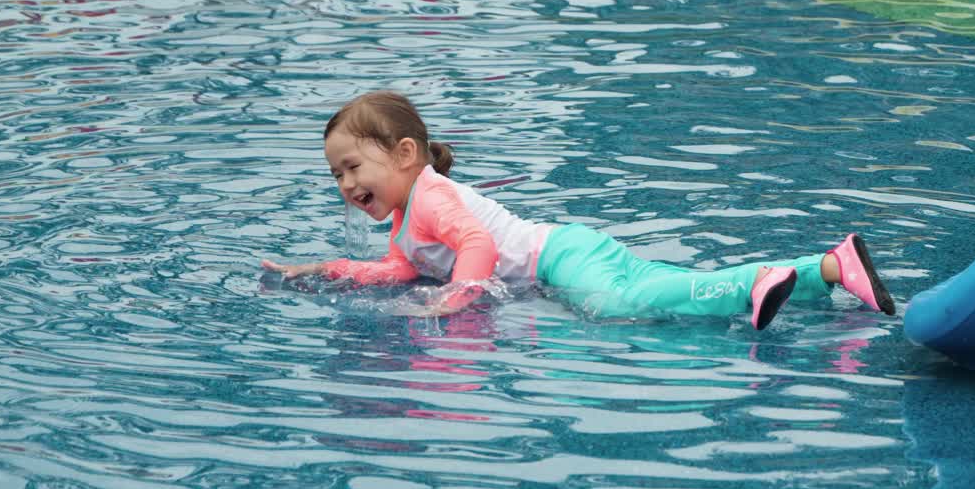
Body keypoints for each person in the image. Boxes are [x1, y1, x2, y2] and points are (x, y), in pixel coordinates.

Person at [262, 91, 896, 327]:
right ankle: (831, 269)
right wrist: (328, 268)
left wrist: (457, 300)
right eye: (335, 175)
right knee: (647, 292)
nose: (344, 183)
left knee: (624, 307)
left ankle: (751, 284)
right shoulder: (405, 218)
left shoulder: (429, 194)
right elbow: (400, 271)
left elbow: (477, 247)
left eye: (352, 168)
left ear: (404, 154)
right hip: (565, 254)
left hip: (562, 256)